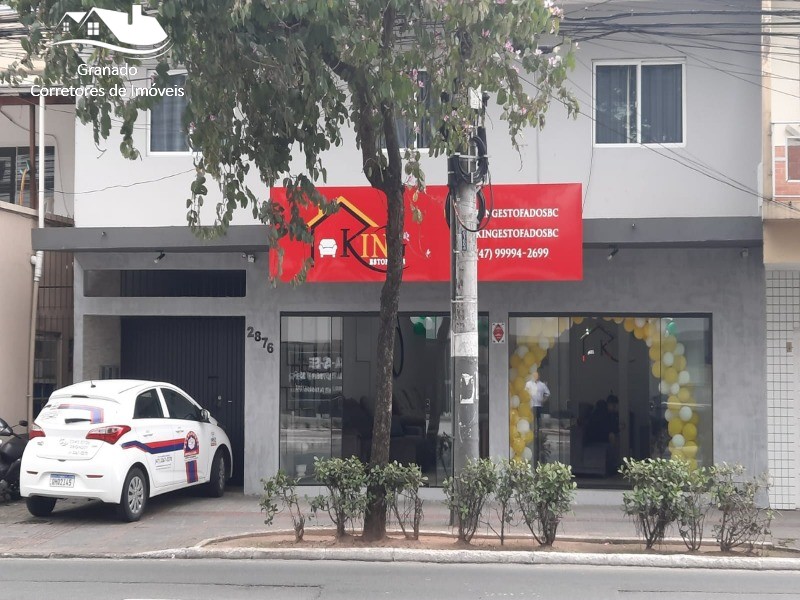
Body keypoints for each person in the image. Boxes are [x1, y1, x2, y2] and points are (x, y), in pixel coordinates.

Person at [524, 370, 550, 462]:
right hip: (530, 405)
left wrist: (543, 400)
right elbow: (524, 393)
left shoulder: (542, 385)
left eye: (537, 375)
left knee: (538, 420)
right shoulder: (528, 384)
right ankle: (531, 430)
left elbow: (547, 393)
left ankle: (537, 431)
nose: (535, 376)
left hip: (538, 405)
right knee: (531, 419)